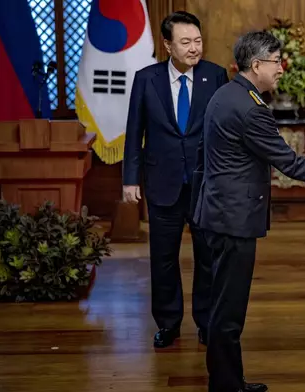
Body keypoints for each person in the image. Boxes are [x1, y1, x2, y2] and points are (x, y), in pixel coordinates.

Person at [193, 31, 305, 392]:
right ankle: (226, 386)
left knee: (222, 304)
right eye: (276, 61)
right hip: (233, 219)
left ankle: (229, 379)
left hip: (219, 212)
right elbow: (287, 161)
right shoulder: (249, 108)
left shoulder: (227, 94)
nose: (281, 68)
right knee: (228, 310)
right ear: (256, 65)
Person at [122, 11, 229, 348]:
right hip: (162, 182)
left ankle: (206, 321)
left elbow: (225, 133)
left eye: (197, 41)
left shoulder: (216, 76)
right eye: (185, 42)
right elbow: (134, 132)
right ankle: (168, 322)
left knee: (207, 257)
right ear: (168, 45)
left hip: (204, 186)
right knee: (163, 258)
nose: (194, 48)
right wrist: (130, 180)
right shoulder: (146, 79)